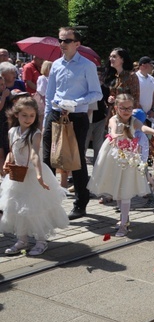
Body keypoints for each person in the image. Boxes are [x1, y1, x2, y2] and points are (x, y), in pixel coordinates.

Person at [43, 27, 103, 220]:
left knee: (76, 162)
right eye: (60, 40)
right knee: (47, 159)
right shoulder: (56, 65)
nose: (62, 44)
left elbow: (97, 93)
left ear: (77, 44)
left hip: (76, 117)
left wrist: (76, 103)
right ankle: (46, 201)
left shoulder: (87, 66)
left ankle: (80, 204)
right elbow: (50, 95)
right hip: (55, 115)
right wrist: (46, 118)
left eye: (67, 41)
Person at [1, 98, 68, 256]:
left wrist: (38, 175)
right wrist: (7, 162)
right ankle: (22, 239)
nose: (28, 119)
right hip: (17, 176)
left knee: (35, 209)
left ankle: (41, 241)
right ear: (17, 115)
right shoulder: (12, 132)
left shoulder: (36, 133)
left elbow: (34, 155)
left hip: (32, 174)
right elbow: (12, 151)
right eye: (24, 115)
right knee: (17, 208)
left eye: (31, 115)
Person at [88, 94, 154, 237]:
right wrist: (113, 134)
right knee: (118, 188)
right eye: (123, 108)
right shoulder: (114, 119)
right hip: (114, 156)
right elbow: (112, 129)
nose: (126, 111)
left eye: (129, 108)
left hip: (129, 157)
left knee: (125, 190)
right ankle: (124, 218)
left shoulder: (134, 121)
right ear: (117, 108)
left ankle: (124, 224)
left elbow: (143, 128)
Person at [105, 48, 140, 116]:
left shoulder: (131, 76)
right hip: (113, 114)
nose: (111, 59)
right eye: (110, 56)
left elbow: (135, 99)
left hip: (126, 116)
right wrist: (110, 99)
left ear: (122, 59)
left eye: (114, 56)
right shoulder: (114, 76)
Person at [135, 56, 154, 126]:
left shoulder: (152, 78)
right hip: (137, 114)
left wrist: (152, 110)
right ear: (143, 65)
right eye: (150, 64)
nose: (152, 67)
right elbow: (133, 96)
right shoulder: (135, 78)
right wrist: (141, 112)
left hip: (149, 115)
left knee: (148, 136)